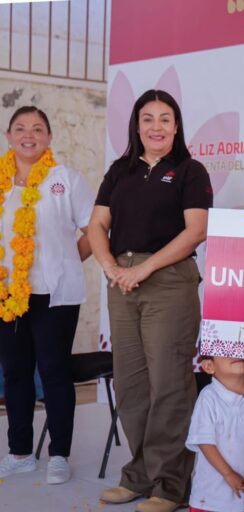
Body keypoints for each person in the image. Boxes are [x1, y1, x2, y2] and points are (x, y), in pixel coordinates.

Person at [89, 90, 212, 512]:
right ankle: (139, 475)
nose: (156, 126)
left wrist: (144, 268)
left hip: (168, 280)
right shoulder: (119, 170)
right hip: (122, 282)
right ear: (136, 126)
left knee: (169, 384)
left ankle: (170, 485)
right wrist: (112, 268)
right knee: (130, 384)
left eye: (164, 119)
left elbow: (196, 231)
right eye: (147, 118)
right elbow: (97, 225)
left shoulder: (189, 170)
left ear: (176, 127)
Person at [0, 105, 94, 485]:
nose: (29, 135)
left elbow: (94, 229)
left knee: (54, 372)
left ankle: (59, 454)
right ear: (8, 136)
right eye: (21, 128)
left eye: (38, 128)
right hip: (8, 295)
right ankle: (19, 452)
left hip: (56, 295)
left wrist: (70, 260)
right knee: (15, 373)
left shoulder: (65, 179)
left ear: (49, 137)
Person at [186, 355, 244, 512]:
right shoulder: (208, 397)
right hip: (208, 499)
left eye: (242, 348)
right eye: (226, 351)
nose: (237, 354)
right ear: (209, 366)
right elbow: (204, 442)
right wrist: (228, 473)